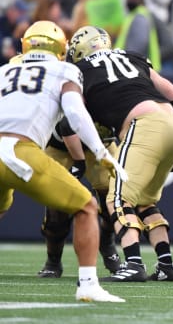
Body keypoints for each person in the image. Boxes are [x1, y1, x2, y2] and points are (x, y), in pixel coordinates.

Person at [0, 20, 126, 302]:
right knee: (86, 206)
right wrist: (100, 150)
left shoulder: (5, 70)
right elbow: (75, 114)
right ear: (60, 48)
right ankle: (88, 285)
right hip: (22, 150)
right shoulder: (64, 69)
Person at [66, 25, 173, 282]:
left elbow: (71, 120)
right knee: (144, 202)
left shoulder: (79, 71)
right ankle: (166, 264)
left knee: (116, 199)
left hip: (143, 125)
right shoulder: (131, 56)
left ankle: (133, 264)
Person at [37, 119, 121, 278]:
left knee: (113, 203)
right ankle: (53, 260)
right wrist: (79, 162)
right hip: (59, 146)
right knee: (56, 212)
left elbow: (130, 122)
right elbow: (67, 124)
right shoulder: (73, 99)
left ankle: (107, 242)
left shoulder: (115, 99)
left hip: (100, 147)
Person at [0, 0, 30, 65]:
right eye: (20, 12)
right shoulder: (2, 23)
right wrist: (15, 35)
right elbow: (6, 52)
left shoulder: (27, 25)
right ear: (10, 11)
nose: (23, 16)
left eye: (24, 13)